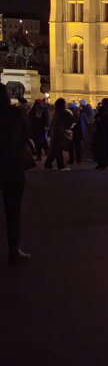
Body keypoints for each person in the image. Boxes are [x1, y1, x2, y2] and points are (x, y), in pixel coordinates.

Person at [0, 86, 33, 265]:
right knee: (13, 212)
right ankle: (13, 251)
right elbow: (26, 134)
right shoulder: (15, 114)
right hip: (12, 166)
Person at [44, 98, 73, 171]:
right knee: (57, 149)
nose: (66, 104)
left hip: (56, 132)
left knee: (56, 149)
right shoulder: (63, 112)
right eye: (65, 103)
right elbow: (71, 119)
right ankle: (57, 165)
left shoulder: (56, 112)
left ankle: (56, 165)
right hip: (60, 133)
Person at [93, 98, 108, 170]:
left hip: (101, 130)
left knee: (101, 147)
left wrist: (100, 119)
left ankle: (101, 163)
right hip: (106, 130)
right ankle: (105, 163)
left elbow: (96, 116)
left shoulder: (102, 109)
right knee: (105, 147)